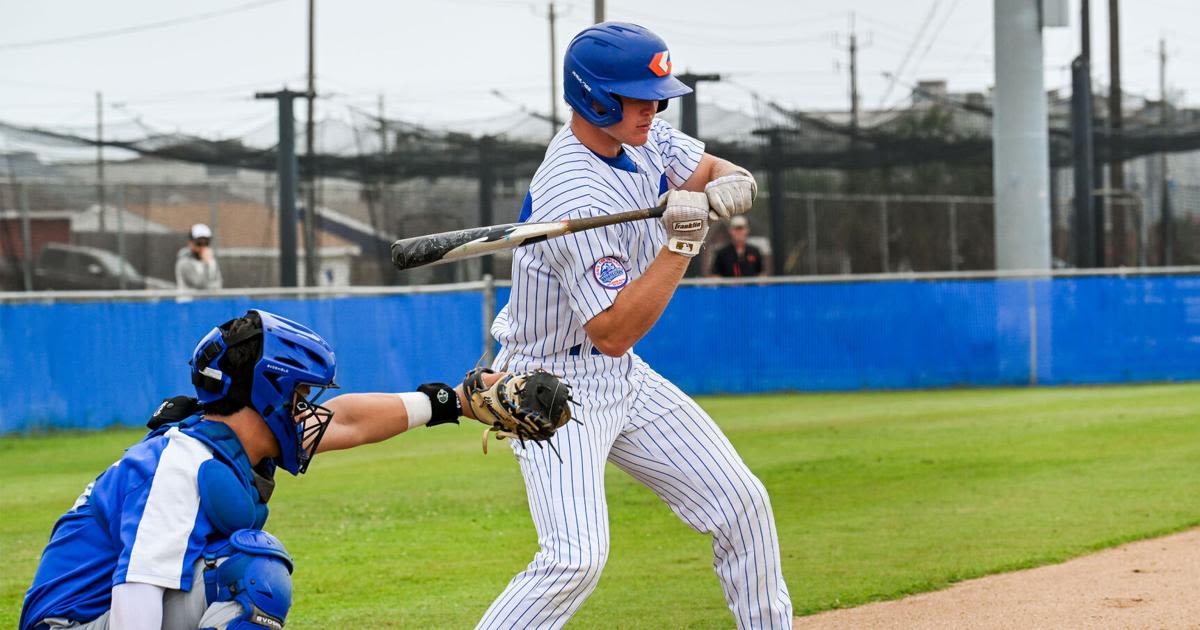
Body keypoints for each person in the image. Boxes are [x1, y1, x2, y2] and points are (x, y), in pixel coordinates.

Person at [478, 22, 791, 630]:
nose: (654, 107)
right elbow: (614, 329)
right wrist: (682, 241)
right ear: (593, 96)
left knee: (742, 504)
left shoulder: (643, 136)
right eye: (638, 96)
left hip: (620, 377)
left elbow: (713, 169)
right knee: (574, 559)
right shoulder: (571, 187)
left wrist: (730, 183)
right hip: (549, 385)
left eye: (657, 96)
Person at [20, 309, 499, 630]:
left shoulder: (221, 441)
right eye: (299, 397)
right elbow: (135, 600)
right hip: (76, 622)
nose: (308, 410)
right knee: (252, 572)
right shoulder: (180, 465)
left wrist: (453, 402)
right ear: (268, 395)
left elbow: (349, 420)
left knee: (244, 566)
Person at [175, 223, 222, 291]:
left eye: (206, 243)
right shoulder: (184, 262)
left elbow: (218, 284)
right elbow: (199, 285)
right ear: (190, 243)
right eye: (199, 243)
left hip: (208, 301)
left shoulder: (212, 262)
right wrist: (205, 263)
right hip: (189, 301)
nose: (203, 247)